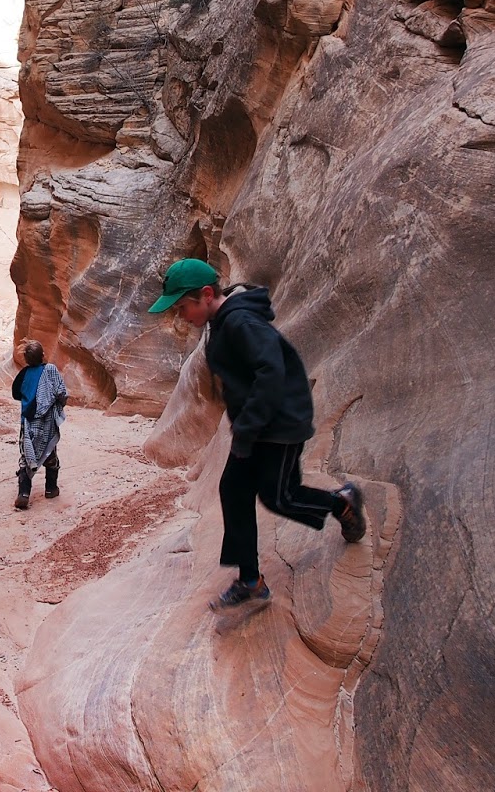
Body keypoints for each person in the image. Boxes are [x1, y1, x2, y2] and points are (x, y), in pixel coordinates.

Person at [148, 258, 365, 613]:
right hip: (258, 425)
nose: (181, 315)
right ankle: (251, 581)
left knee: (280, 497)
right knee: (233, 489)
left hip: (279, 424)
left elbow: (271, 370)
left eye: (182, 306)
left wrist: (248, 427)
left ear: (205, 295)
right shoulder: (222, 321)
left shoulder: (240, 321)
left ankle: (341, 502)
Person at [10, 339, 67, 510]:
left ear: (26, 359)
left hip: (28, 421)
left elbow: (16, 393)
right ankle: (51, 489)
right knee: (49, 452)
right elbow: (61, 392)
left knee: (27, 454)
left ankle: (24, 493)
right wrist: (57, 404)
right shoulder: (50, 370)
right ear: (43, 355)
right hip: (47, 421)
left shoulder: (23, 374)